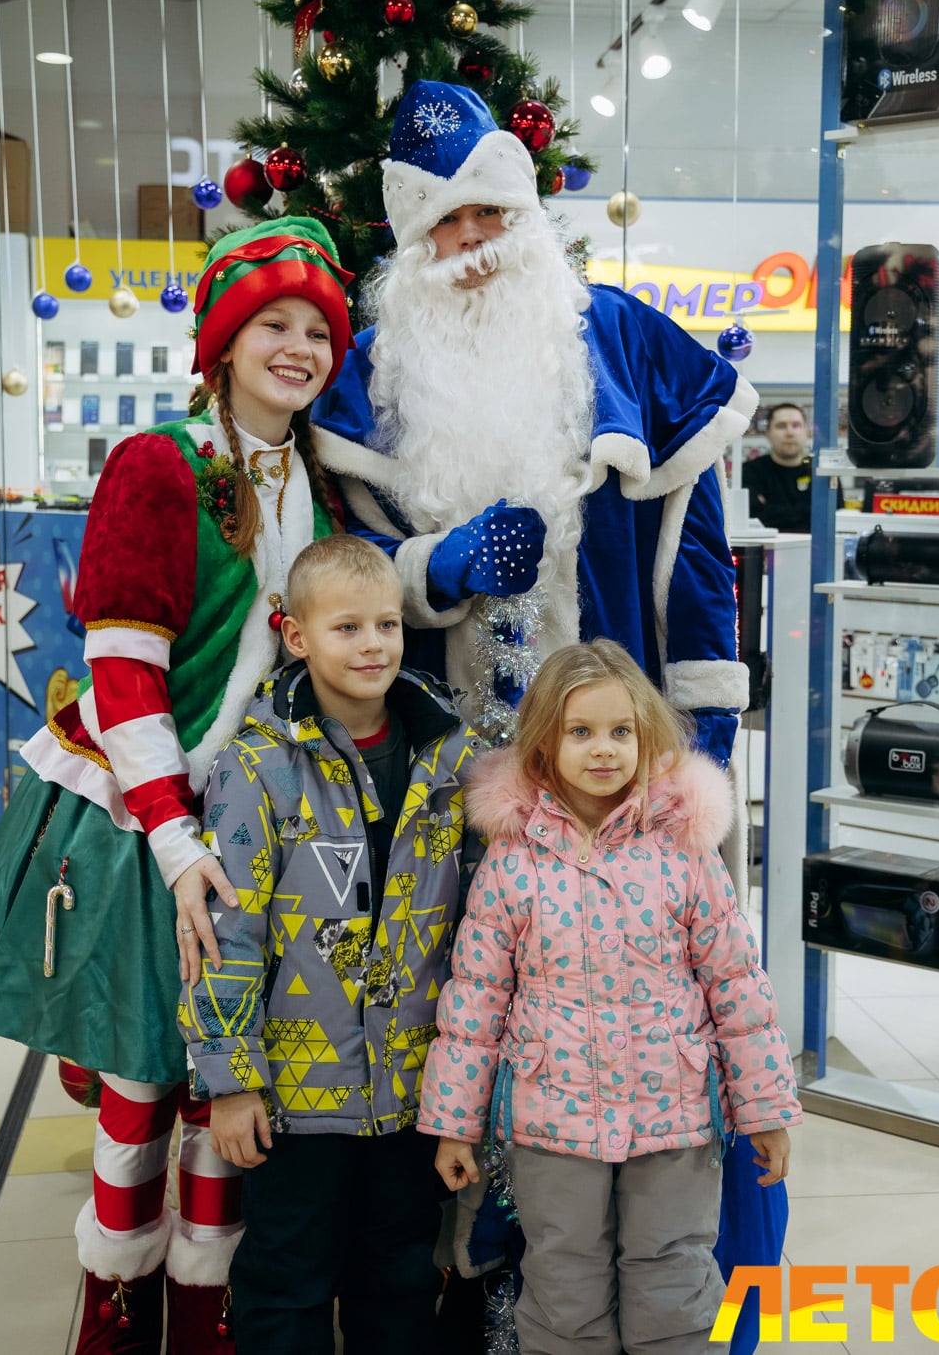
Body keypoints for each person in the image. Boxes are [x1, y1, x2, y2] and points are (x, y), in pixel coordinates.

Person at [312, 79, 780, 1354]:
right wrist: (438, 569)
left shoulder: (619, 339)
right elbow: (344, 582)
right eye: (443, 227)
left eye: (487, 217)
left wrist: (702, 755)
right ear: (411, 245)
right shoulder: (375, 384)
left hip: (626, 782)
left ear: (526, 213)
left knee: (665, 1029)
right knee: (470, 1026)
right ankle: (496, 1300)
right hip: (454, 796)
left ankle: (678, 1304)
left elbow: (697, 567)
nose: (470, 248)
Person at [0, 217, 354, 1355]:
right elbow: (122, 669)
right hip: (142, 817)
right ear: (223, 342)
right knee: (141, 1080)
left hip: (249, 824)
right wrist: (171, 833)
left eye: (318, 331)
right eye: (273, 325)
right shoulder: (160, 463)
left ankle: (206, 1313)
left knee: (224, 1085)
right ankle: (114, 1316)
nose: (298, 349)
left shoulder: (317, 479)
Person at [419, 639, 801, 1355]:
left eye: (621, 730)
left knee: (675, 1283)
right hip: (552, 1120)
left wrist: (766, 1110)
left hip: (675, 1117)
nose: (604, 749)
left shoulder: (683, 849)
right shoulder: (512, 859)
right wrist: (455, 1123)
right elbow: (475, 1003)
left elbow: (737, 987)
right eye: (581, 731)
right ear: (545, 743)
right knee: (564, 1286)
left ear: (645, 735)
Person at [179, 532, 482, 1355]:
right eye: (347, 628)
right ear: (296, 636)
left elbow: (483, 931)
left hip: (413, 1092)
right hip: (294, 1101)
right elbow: (225, 937)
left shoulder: (450, 757)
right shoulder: (259, 768)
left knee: (400, 1280)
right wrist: (231, 1081)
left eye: (387, 624)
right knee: (287, 1282)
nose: (373, 644)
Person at [741, 402, 839, 532]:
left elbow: (835, 515)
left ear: (807, 433)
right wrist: (810, 512)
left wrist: (771, 511)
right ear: (768, 433)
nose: (790, 433)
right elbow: (752, 515)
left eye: (796, 425)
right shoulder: (751, 471)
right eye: (781, 426)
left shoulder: (822, 472)